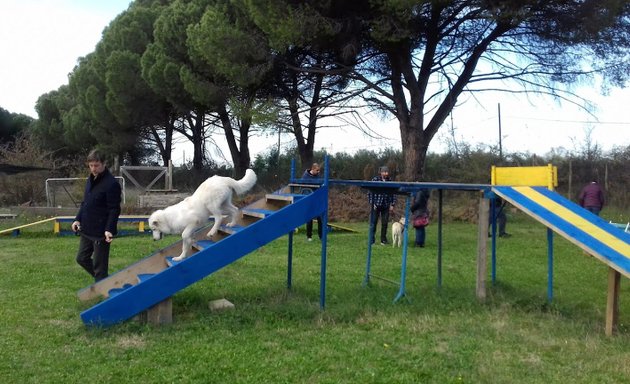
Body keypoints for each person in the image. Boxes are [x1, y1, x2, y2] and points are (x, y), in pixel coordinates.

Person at [72, 149, 122, 282]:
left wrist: (109, 229)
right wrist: (77, 219)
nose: (93, 168)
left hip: (101, 232)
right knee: (81, 258)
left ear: (104, 164)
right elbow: (85, 203)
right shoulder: (90, 180)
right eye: (91, 165)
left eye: (96, 165)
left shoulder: (111, 184)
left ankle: (104, 293)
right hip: (87, 229)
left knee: (100, 267)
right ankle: (106, 281)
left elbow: (114, 209)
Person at [368, 166, 396, 245]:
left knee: (385, 223)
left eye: (387, 172)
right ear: (381, 172)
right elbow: (370, 193)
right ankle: (372, 240)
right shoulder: (375, 180)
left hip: (386, 205)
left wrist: (392, 204)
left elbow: (393, 194)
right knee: (373, 222)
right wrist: (372, 203)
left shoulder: (390, 181)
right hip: (376, 204)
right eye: (384, 172)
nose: (386, 174)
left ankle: (383, 240)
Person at [302, 162, 322, 241]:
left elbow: (320, 185)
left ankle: (321, 236)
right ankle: (309, 236)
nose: (318, 172)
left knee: (320, 218)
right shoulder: (305, 176)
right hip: (309, 199)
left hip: (317, 199)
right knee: (309, 218)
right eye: (317, 170)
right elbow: (303, 188)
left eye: (319, 170)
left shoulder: (318, 176)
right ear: (313, 169)